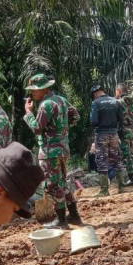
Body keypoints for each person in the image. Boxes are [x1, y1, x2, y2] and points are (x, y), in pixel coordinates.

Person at [24, 74, 82, 229]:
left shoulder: (46, 105)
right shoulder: (61, 100)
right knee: (62, 183)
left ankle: (61, 220)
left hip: (50, 151)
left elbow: (36, 128)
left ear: (43, 89)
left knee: (52, 186)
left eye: (34, 90)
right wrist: (62, 130)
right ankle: (74, 216)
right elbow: (75, 116)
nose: (32, 93)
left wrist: (28, 113)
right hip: (63, 148)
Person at [90, 85, 125, 197]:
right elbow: (121, 119)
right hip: (114, 134)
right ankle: (122, 187)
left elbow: (93, 121)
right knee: (117, 160)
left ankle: (104, 190)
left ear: (95, 94)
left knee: (101, 161)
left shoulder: (96, 103)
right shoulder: (116, 101)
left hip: (101, 135)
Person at [115, 84, 133, 186]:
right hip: (132, 129)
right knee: (130, 153)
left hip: (124, 130)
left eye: (115, 91)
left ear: (118, 91)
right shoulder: (132, 100)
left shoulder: (120, 102)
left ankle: (132, 178)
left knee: (126, 154)